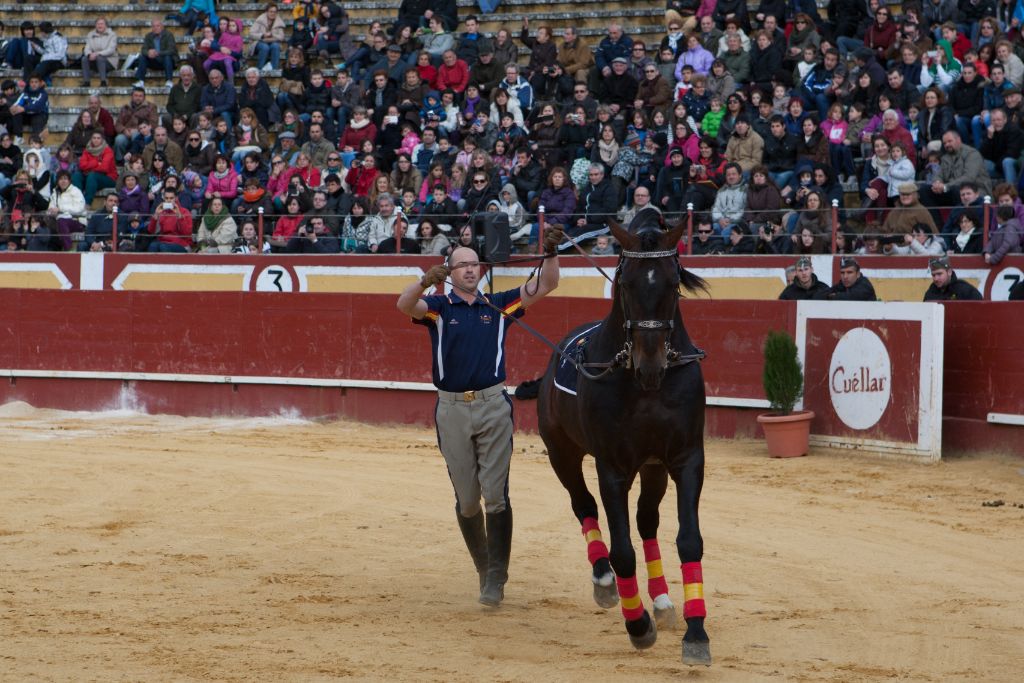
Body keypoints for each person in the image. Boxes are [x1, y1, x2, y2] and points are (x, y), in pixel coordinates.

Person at [395, 222, 564, 607]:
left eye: (475, 264)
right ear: (449, 272)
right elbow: (404, 305)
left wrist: (551, 252)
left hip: (492, 406)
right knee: (468, 501)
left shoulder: (499, 303)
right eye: (461, 265)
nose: (470, 269)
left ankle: (495, 579)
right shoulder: (437, 308)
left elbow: (547, 284)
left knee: (495, 496)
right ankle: (483, 566)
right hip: (451, 409)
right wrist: (425, 281)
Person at [133, 19, 177, 89]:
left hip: (166, 61)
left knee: (167, 57)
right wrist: (148, 53)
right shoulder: (148, 36)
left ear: (162, 27)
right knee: (142, 57)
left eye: (158, 26)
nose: (155, 28)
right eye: (153, 26)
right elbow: (143, 49)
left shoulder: (168, 35)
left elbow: (171, 50)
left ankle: (169, 81)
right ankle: (140, 81)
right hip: (154, 61)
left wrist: (158, 53)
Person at [81, 18, 118, 88]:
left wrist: (97, 53)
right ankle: (86, 81)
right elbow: (87, 48)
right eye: (98, 24)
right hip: (95, 59)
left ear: (106, 25)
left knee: (100, 58)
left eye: (101, 24)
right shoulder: (90, 35)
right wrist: (89, 55)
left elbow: (111, 50)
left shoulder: (112, 35)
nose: (99, 26)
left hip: (109, 60)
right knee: (84, 59)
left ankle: (103, 82)